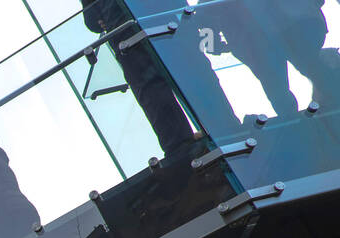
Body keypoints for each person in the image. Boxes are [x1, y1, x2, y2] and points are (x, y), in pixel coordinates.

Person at [81, 0, 240, 153]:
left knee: (153, 88)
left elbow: (92, 19)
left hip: (126, 27)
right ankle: (226, 130)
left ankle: (183, 148)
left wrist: (103, 18)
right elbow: (93, 19)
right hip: (166, 16)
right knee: (194, 74)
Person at [206, 0, 340, 117]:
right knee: (302, 72)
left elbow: (203, 17)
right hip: (278, 30)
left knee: (283, 83)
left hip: (284, 28)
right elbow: (203, 16)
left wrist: (214, 44)